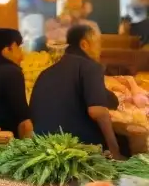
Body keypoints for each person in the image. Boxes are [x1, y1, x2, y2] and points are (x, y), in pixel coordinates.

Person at [30, 24, 122, 156]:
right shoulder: (90, 67)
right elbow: (97, 111)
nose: (100, 50)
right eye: (98, 44)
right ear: (84, 44)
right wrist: (115, 151)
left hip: (43, 151)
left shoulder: (46, 73)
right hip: (76, 151)